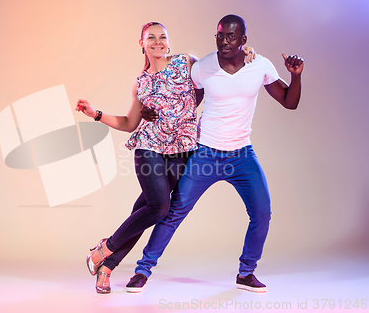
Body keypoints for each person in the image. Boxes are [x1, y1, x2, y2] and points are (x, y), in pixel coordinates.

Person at [127, 14, 304, 293]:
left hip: (242, 156)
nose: (224, 41)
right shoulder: (204, 67)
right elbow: (182, 99)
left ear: (244, 40)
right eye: (220, 35)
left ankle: (246, 273)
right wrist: (153, 111)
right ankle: (142, 270)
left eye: (231, 36)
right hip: (206, 154)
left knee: (262, 213)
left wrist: (295, 76)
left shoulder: (259, 65)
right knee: (173, 212)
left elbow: (289, 102)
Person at [75, 21, 256, 294]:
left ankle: (106, 265)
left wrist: (246, 52)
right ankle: (106, 248)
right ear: (142, 44)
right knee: (159, 208)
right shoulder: (142, 82)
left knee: (143, 212)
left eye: (163, 37)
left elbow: (220, 65)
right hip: (149, 147)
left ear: (169, 41)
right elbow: (128, 122)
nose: (158, 42)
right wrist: (96, 114)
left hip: (182, 150)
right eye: (151, 38)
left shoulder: (186, 62)